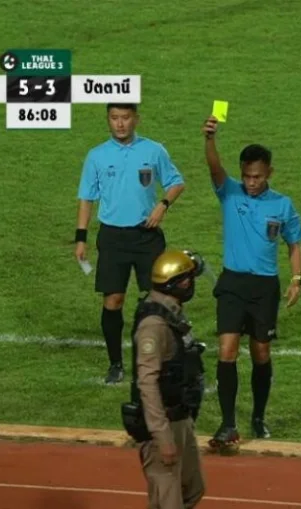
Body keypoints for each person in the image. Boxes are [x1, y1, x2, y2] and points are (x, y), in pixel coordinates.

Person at [201, 115, 301, 448]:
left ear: (269, 173)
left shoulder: (282, 205)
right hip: (232, 284)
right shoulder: (230, 193)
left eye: (257, 177)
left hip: (264, 288)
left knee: (261, 353)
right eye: (246, 176)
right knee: (227, 351)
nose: (251, 182)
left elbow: (295, 243)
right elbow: (214, 168)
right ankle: (228, 424)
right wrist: (209, 139)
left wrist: (297, 279)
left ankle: (258, 416)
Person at [75, 103, 185, 384]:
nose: (120, 123)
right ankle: (116, 364)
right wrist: (81, 238)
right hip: (113, 238)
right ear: (108, 120)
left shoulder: (154, 151)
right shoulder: (97, 156)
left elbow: (176, 182)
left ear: (136, 119)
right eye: (114, 118)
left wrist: (163, 205)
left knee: (158, 301)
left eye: (125, 117)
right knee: (113, 300)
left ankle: (162, 362)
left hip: (147, 237)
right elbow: (86, 198)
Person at [121, 249, 207, 509]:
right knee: (168, 501)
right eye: (187, 279)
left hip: (180, 418)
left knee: (193, 489)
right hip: (163, 425)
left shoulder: (170, 310)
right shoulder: (154, 325)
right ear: (174, 284)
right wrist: (162, 436)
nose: (190, 283)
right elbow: (147, 383)